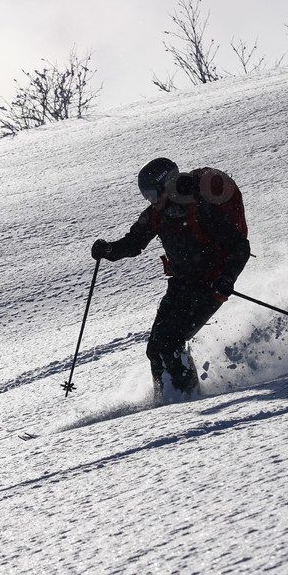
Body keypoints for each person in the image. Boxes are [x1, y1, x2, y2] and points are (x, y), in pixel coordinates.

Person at [91, 157, 250, 399]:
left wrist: (227, 279)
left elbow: (239, 247)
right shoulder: (158, 212)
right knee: (155, 348)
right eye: (146, 194)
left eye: (152, 192)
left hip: (210, 285)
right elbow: (135, 242)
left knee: (172, 343)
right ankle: (164, 397)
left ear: (168, 184)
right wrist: (109, 250)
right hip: (181, 284)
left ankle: (187, 399)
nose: (150, 199)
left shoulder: (201, 208)